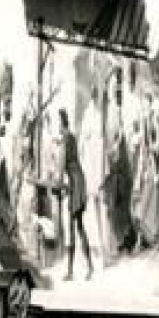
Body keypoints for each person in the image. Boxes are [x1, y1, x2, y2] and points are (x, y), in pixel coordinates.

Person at [59, 109, 94, 281]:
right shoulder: (70, 136)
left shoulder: (66, 138)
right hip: (78, 179)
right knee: (79, 226)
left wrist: (59, 182)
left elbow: (62, 163)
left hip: (75, 182)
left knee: (73, 227)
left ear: (61, 123)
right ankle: (89, 267)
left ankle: (71, 271)